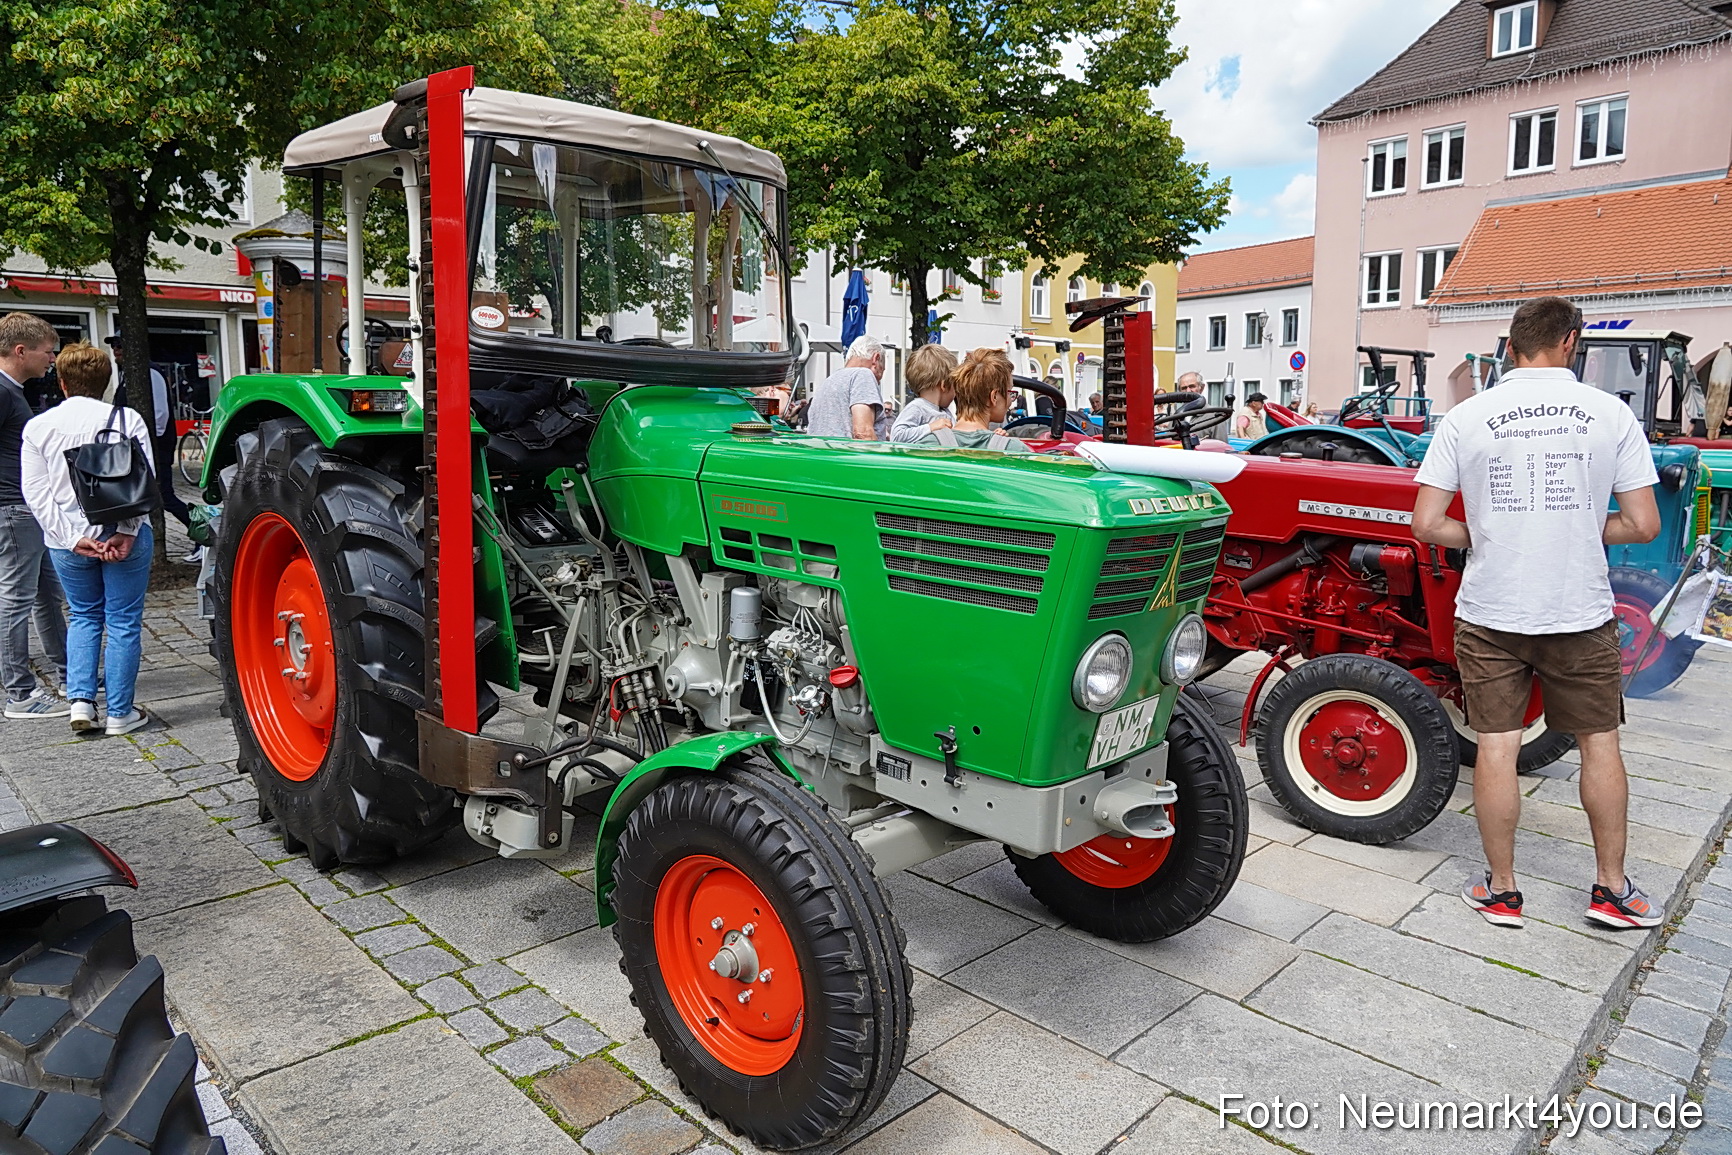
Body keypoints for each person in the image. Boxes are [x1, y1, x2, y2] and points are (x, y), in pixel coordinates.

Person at [1412, 296, 1662, 931]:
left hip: (1490, 611)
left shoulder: (1467, 416)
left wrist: (1488, 535)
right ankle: (1611, 891)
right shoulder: (1610, 414)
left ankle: (1502, 892)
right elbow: (1642, 523)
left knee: (1497, 747)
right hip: (1579, 610)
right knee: (1599, 743)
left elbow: (1427, 523)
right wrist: (1578, 526)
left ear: (1512, 345)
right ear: (1570, 341)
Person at [21, 343, 154, 737]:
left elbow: (36, 493)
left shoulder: (39, 427)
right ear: (107, 382)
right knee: (123, 621)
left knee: (83, 615)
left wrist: (71, 537)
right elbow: (144, 481)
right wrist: (126, 531)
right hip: (123, 534)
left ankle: (80, 702)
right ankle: (120, 714)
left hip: (68, 540)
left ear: (61, 382)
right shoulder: (127, 419)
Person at [0, 313, 68, 719]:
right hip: (12, 510)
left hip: (25, 510)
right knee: (17, 599)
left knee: (46, 596)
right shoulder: (3, 392)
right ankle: (20, 694)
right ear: (21, 351)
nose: (52, 359)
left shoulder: (12, 391)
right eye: (48, 351)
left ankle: (69, 675)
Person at [107, 335, 196, 557]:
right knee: (157, 496)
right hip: (141, 448)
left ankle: (206, 536)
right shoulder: (130, 374)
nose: (116, 350)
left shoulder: (149, 372)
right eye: (114, 346)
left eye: (121, 345)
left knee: (165, 496)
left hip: (155, 448)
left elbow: (160, 415)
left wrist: (146, 444)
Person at [915, 349, 1032, 454]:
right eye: (1009, 392)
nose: (1011, 401)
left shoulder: (926, 446)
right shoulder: (1014, 451)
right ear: (994, 397)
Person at [806, 335, 886, 440]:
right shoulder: (863, 374)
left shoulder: (828, 382)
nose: (877, 383)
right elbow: (863, 433)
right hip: (851, 450)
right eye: (881, 370)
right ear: (876, 358)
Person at [889, 344, 957, 443]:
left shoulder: (944, 411)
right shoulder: (917, 408)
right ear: (944, 385)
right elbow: (897, 436)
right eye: (955, 385)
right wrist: (930, 427)